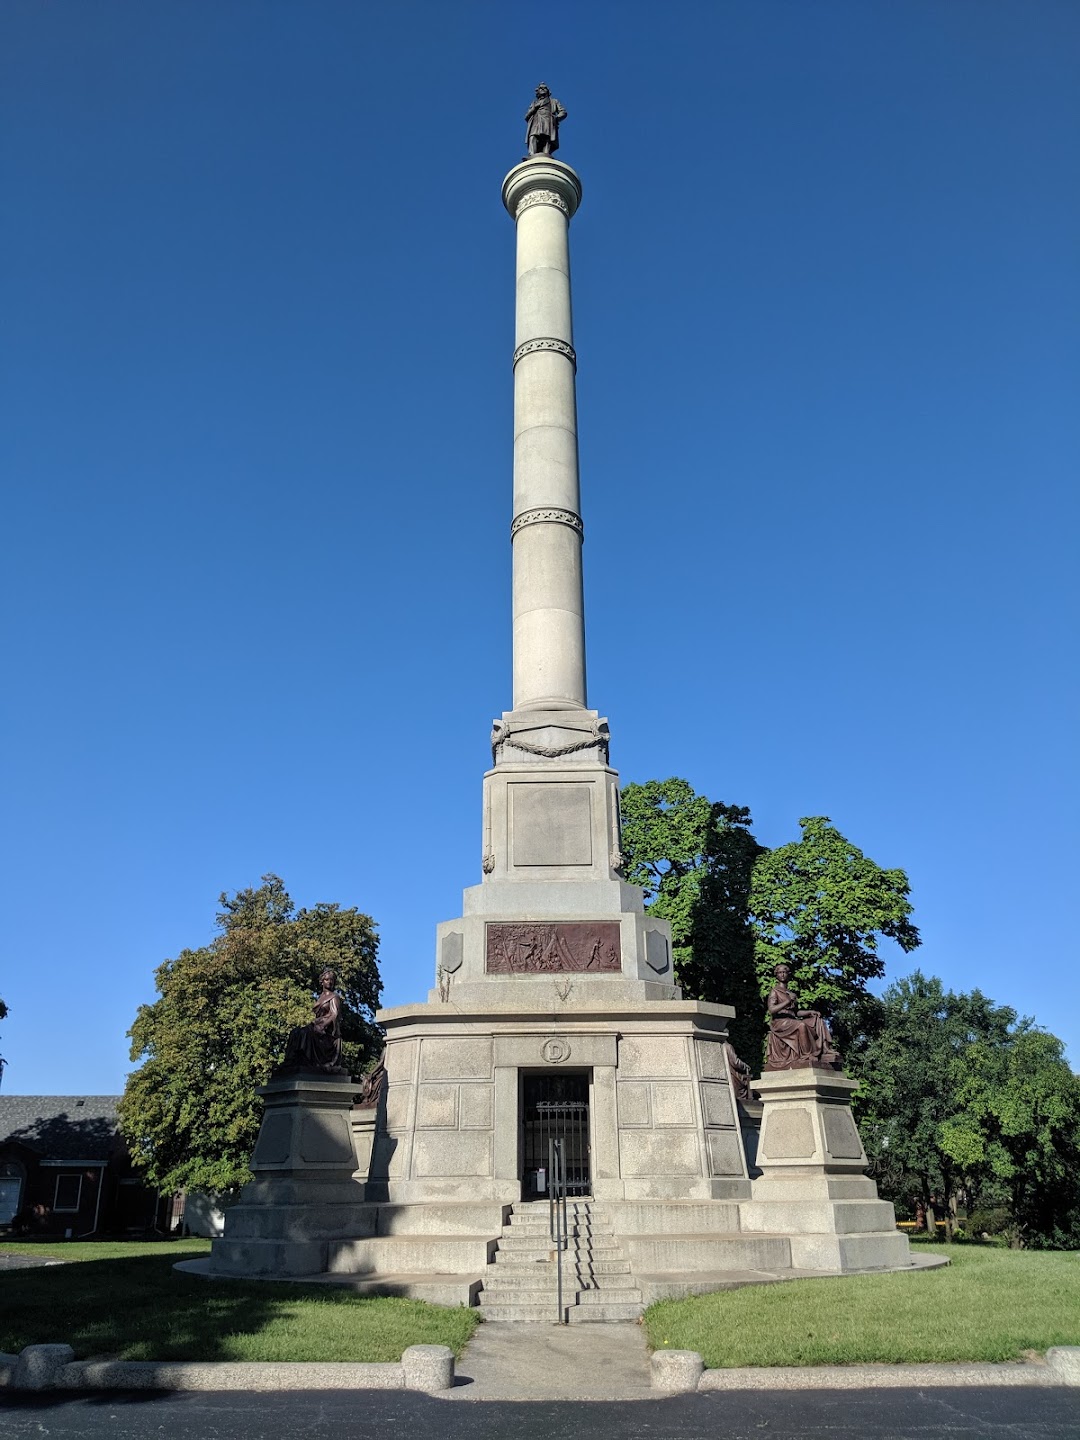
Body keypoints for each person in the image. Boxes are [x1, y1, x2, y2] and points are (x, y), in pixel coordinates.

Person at [763, 963, 841, 1071]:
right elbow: (772, 1009)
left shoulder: (790, 993)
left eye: (784, 972)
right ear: (776, 975)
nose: (782, 974)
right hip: (780, 1023)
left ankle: (826, 1050)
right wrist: (788, 1001)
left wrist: (810, 1012)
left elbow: (796, 1013)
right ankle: (806, 1055)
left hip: (791, 1020)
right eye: (780, 972)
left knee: (817, 1020)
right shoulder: (775, 991)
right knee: (801, 1025)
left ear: (788, 974)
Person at [277, 968, 349, 1075]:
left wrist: (323, 1026)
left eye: (331, 980)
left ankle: (304, 1061)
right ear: (322, 981)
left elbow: (335, 1015)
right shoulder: (321, 997)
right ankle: (291, 1061)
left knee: (304, 1033)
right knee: (295, 1032)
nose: (329, 982)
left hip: (327, 1031)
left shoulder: (334, 997)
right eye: (327, 980)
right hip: (317, 1025)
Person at [525, 84, 567, 157]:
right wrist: (534, 108)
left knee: (547, 137)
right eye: (540, 88)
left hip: (548, 120)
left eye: (545, 88)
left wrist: (556, 118)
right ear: (537, 92)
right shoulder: (534, 103)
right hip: (536, 121)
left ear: (548, 91)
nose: (543, 89)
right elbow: (526, 116)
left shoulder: (554, 101)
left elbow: (563, 112)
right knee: (533, 137)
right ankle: (531, 154)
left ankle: (546, 153)